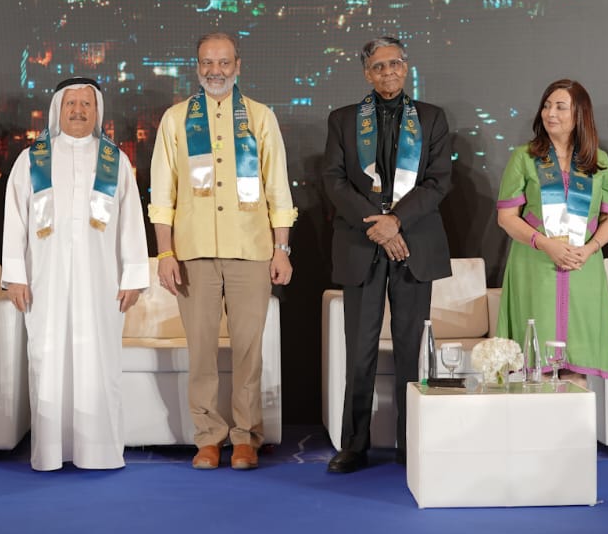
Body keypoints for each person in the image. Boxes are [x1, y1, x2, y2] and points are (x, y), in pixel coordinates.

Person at [149, 31, 295, 470]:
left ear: (237, 66)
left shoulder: (260, 117)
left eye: (224, 62)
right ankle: (208, 438)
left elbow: (277, 186)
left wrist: (282, 248)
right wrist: (165, 254)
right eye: (207, 63)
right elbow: (163, 190)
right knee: (202, 351)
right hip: (192, 252)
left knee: (249, 350)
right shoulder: (176, 119)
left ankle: (246, 437)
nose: (216, 71)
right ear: (197, 67)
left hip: (251, 249)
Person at [322, 37, 453, 473]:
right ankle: (354, 445)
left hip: (413, 245)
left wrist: (396, 222)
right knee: (359, 352)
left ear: (406, 67)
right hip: (362, 245)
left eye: (394, 63)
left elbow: (438, 180)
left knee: (410, 350)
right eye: (378, 66)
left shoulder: (431, 118)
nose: (388, 72)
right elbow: (335, 181)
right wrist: (377, 226)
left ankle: (409, 442)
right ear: (367, 73)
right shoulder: (343, 120)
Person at [2, 78, 148, 470]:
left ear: (97, 111)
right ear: (58, 110)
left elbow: (131, 221)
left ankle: (98, 451)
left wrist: (133, 277)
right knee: (47, 360)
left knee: (99, 363)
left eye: (86, 104)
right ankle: (51, 451)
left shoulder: (114, 160)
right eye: (71, 104)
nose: (79, 111)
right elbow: (14, 220)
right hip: (44, 281)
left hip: (101, 283)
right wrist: (15, 275)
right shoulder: (32, 159)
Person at [495, 79, 608, 384]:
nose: (550, 113)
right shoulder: (525, 157)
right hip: (535, 265)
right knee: (537, 363)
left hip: (583, 267)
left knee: (577, 363)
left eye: (560, 107)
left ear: (579, 115)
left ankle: (575, 417)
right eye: (547, 105)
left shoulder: (599, 161)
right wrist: (545, 244)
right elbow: (506, 217)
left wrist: (590, 248)